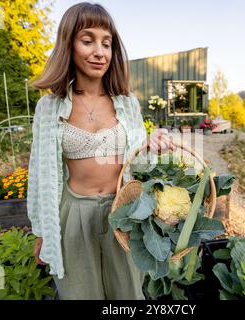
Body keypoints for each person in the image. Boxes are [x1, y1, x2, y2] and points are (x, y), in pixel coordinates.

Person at [27, 2, 175, 300]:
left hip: (123, 211)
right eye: (88, 40)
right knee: (79, 293)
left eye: (106, 43)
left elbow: (139, 163)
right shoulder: (49, 107)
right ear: (69, 45)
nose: (99, 52)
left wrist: (150, 144)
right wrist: (42, 231)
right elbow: (39, 173)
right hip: (73, 214)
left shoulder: (127, 103)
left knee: (128, 293)